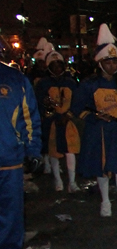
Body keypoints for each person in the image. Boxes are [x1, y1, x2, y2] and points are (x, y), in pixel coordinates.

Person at [75, 24, 117, 220]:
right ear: (100, 63)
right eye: (108, 62)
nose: (112, 66)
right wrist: (94, 117)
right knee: (101, 168)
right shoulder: (89, 84)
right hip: (97, 131)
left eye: (115, 62)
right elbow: (78, 108)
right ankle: (105, 202)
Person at [0, 62, 41, 249]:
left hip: (9, 158)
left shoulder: (15, 79)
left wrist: (33, 150)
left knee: (10, 212)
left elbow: (29, 117)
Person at [36, 47, 80, 192]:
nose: (57, 68)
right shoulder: (43, 84)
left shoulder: (70, 82)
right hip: (52, 121)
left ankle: (72, 181)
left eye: (59, 65)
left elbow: (77, 102)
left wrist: (68, 115)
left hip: (68, 121)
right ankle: (58, 180)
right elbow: (40, 102)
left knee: (70, 150)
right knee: (53, 151)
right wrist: (49, 114)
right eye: (53, 66)